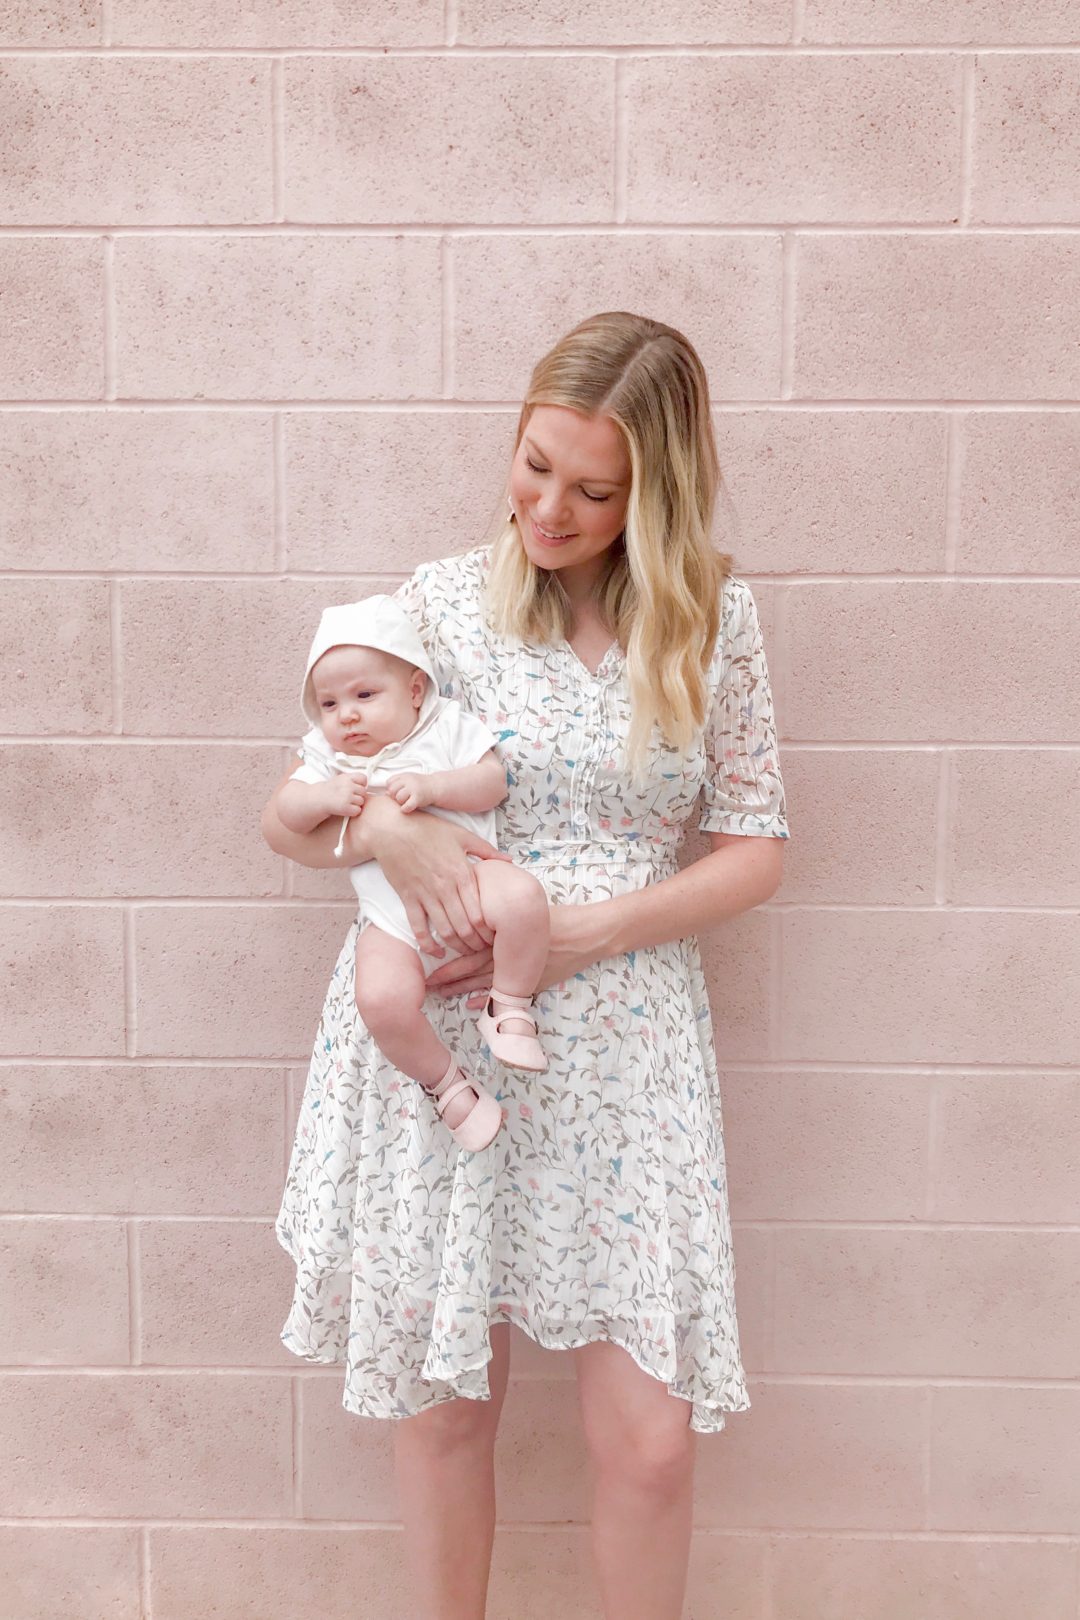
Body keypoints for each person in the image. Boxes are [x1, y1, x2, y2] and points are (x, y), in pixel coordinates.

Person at [262, 310, 789, 1620]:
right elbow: (334, 778)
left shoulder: (714, 620)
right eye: (534, 464)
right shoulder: (438, 603)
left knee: (652, 1447)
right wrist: (389, 824)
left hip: (627, 1045)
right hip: (446, 1037)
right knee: (447, 1413)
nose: (549, 505)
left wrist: (593, 932)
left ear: (653, 492)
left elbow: (756, 845)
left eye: (593, 488)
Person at [276, 593, 552, 1151]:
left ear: (415, 691)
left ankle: (509, 1006)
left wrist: (433, 787)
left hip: (470, 877)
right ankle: (448, 1087)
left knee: (524, 899)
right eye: (328, 704)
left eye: (364, 695)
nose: (346, 714)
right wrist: (323, 796)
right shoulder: (329, 760)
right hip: (389, 918)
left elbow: (492, 781)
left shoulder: (444, 727)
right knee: (379, 1001)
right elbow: (286, 813)